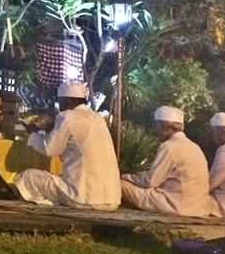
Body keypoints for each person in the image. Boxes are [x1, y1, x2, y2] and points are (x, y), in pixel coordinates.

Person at [14, 81, 121, 210]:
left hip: (83, 197)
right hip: (112, 199)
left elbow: (50, 150)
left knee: (27, 177)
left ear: (68, 102)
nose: (60, 107)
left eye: (61, 102)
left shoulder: (67, 116)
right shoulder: (98, 118)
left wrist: (32, 133)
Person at [120, 106, 212, 217]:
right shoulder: (194, 146)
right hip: (196, 206)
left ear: (163, 126)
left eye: (157, 126)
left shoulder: (169, 146)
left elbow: (151, 182)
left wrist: (127, 176)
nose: (156, 130)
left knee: (121, 184)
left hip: (174, 204)